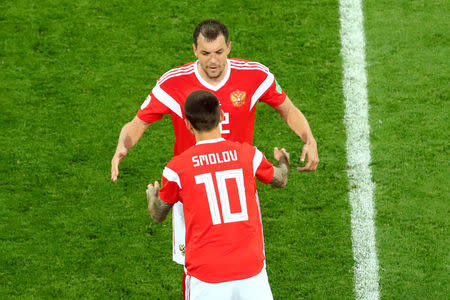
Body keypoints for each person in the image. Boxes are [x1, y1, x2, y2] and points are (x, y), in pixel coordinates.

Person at [111, 18, 318, 293]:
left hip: (238, 189)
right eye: (206, 53)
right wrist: (122, 145)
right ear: (194, 50)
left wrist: (309, 138)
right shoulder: (173, 83)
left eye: (219, 52)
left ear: (229, 47)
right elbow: (137, 124)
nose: (213, 61)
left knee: (217, 271)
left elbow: (288, 109)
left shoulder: (254, 76)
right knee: (217, 268)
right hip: (192, 191)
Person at [146, 90, 290, 299]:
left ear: (188, 124)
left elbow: (158, 213)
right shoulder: (248, 155)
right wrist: (283, 160)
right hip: (251, 269)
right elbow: (281, 179)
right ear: (222, 116)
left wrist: (152, 195)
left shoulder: (176, 168)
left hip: (206, 273)